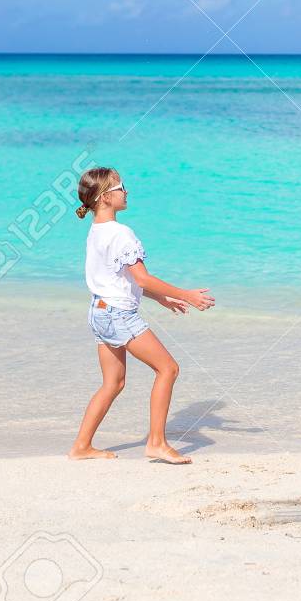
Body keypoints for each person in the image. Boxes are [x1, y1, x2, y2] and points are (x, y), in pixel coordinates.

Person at [68, 167, 214, 464]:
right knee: (168, 369)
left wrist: (162, 298)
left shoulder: (96, 231)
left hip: (99, 311)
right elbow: (142, 279)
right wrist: (187, 294)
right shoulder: (121, 234)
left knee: (113, 383)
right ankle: (157, 443)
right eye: (121, 187)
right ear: (106, 197)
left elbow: (118, 280)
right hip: (119, 315)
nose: (127, 191)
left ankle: (81, 447)